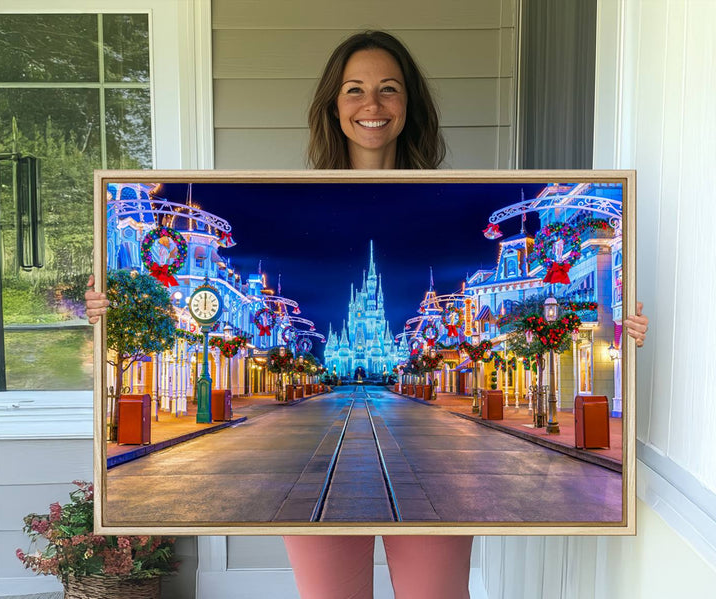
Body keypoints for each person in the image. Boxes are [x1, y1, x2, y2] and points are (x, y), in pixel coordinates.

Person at [86, 30, 649, 599]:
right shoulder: (310, 215)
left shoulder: (425, 238)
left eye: (389, 89)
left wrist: (625, 324)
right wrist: (104, 308)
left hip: (433, 484)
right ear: (334, 104)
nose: (371, 104)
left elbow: (389, 341)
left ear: (409, 105)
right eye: (354, 89)